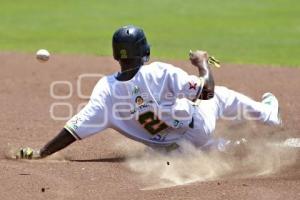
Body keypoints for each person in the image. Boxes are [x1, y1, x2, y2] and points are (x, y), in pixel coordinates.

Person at [17, 25, 282, 159]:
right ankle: (269, 115)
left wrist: (41, 152)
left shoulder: (105, 91)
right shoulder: (159, 72)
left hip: (174, 149)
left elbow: (72, 131)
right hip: (197, 127)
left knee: (195, 148)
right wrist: (202, 62)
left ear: (115, 54)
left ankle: (233, 148)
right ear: (145, 51)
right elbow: (208, 92)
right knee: (222, 95)